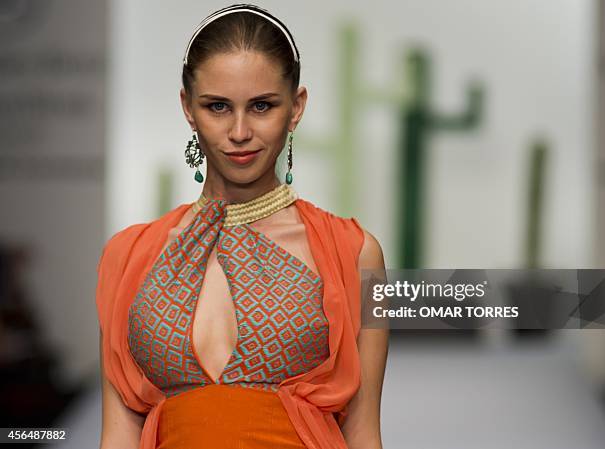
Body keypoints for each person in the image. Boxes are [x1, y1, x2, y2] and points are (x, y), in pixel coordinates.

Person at [96, 4, 388, 449]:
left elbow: (364, 433)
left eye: (262, 106)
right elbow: (117, 435)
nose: (238, 131)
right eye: (217, 106)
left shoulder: (353, 253)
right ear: (187, 108)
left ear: (296, 107)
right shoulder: (129, 256)